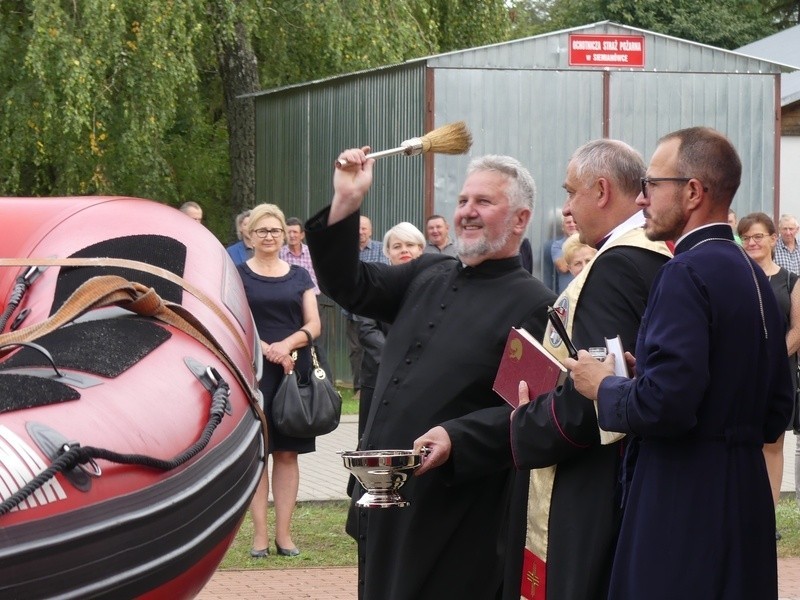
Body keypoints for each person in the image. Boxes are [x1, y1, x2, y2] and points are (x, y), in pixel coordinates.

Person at [306, 149, 555, 600]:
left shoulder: (533, 303)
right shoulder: (428, 272)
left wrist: (458, 437)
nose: (467, 212)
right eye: (462, 201)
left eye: (483, 202)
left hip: (455, 509)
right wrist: (346, 200)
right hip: (383, 495)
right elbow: (349, 286)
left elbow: (528, 412)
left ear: (520, 219)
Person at [565, 127, 794, 599]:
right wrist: (646, 374)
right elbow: (775, 407)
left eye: (652, 184)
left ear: (692, 192)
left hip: (682, 502)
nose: (643, 199)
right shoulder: (751, 271)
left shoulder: (684, 272)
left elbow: (665, 406)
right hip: (746, 497)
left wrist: (604, 385)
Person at [504, 139, 671, 600]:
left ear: (601, 190)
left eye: (571, 192)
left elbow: (594, 389)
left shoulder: (617, 266)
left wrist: (529, 424)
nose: (566, 207)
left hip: (595, 474)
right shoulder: (657, 253)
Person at [237, 203, 321, 559]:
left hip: (294, 371)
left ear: (285, 235)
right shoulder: (237, 274)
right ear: (249, 236)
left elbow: (314, 324)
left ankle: (284, 535)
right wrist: (266, 348)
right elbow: (232, 318)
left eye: (275, 231)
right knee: (258, 453)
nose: (269, 236)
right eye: (262, 231)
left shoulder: (300, 276)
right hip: (253, 369)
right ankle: (259, 536)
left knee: (288, 453)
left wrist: (287, 344)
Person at [737, 212, 800, 539]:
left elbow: (798, 330)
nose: (752, 243)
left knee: (772, 444)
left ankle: (768, 517)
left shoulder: (791, 280)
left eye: (758, 236)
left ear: (774, 239)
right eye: (746, 237)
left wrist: (770, 358)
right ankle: (743, 512)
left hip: (777, 375)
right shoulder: (737, 279)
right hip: (740, 375)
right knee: (741, 442)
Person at [355, 222, 426, 440]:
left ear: (421, 250)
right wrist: (397, 360)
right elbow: (367, 329)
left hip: (420, 379)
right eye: (397, 246)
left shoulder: (435, 286)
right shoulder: (374, 285)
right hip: (378, 375)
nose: (404, 250)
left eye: (410, 245)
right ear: (387, 252)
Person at [343, 215, 387, 399]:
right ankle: (358, 388)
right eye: (357, 228)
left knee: (376, 345)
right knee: (355, 350)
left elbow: (382, 274)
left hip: (374, 307)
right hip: (352, 308)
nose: (360, 232)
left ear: (370, 230)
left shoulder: (379, 248)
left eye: (364, 229)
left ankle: (379, 384)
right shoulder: (346, 250)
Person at [279, 217, 320, 294]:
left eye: (295, 232)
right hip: (290, 297)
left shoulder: (311, 252)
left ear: (302, 235)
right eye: (289, 232)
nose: (291, 235)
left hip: (311, 295)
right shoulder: (280, 254)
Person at [551, 214, 579, 293]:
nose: (572, 225)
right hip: (566, 295)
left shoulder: (586, 242)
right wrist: (574, 240)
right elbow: (563, 267)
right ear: (563, 227)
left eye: (574, 222)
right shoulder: (557, 245)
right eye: (568, 222)